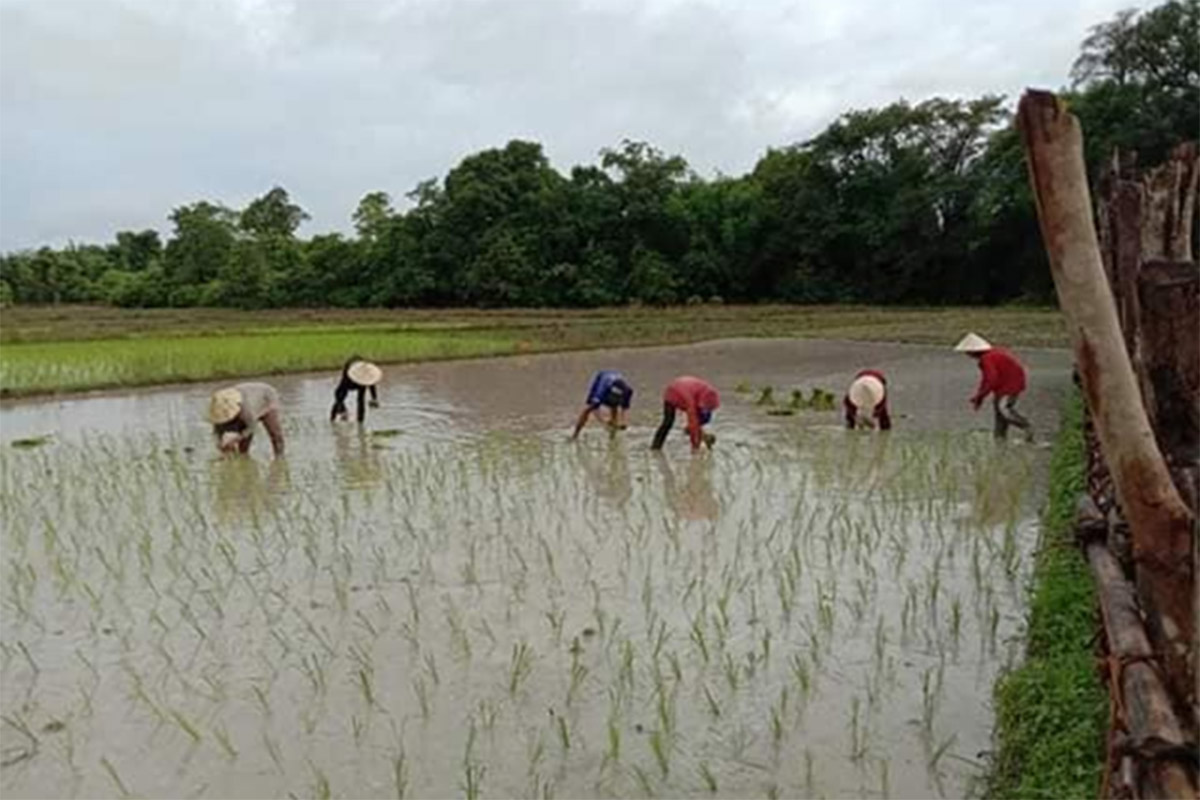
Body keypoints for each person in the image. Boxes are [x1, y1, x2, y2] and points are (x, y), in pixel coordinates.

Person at [955, 333, 1033, 442]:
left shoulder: (987, 358)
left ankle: (1026, 426)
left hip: (1009, 386)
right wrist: (980, 396)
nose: (967, 354)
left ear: (973, 351)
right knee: (1000, 415)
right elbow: (987, 380)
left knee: (1004, 410)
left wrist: (980, 396)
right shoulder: (993, 354)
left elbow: (991, 379)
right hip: (1005, 386)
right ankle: (1000, 440)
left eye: (967, 352)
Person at [208, 382, 285, 457]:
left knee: (275, 435)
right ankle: (243, 457)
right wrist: (220, 444)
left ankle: (280, 458)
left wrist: (238, 437)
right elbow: (216, 432)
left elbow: (252, 427)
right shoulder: (217, 412)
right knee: (241, 447)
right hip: (247, 399)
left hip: (266, 397)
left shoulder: (246, 410)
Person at [651, 375, 719, 452]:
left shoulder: (709, 394)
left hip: (688, 389)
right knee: (668, 422)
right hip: (673, 394)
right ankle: (655, 447)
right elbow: (693, 420)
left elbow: (701, 415)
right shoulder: (690, 401)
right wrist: (695, 448)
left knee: (701, 419)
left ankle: (698, 434)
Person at [571, 370, 633, 439]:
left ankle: (612, 436)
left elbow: (625, 408)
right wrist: (603, 421)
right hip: (602, 379)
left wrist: (624, 422)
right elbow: (595, 409)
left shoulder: (628, 391)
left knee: (614, 406)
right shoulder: (601, 391)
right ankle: (575, 434)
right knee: (588, 409)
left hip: (614, 381)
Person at [331, 356, 382, 424]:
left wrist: (374, 398)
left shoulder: (366, 377)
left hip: (359, 379)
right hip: (349, 380)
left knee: (361, 400)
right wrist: (341, 407)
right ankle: (334, 418)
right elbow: (338, 393)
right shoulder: (348, 376)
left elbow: (371, 384)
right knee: (340, 398)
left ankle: (360, 421)